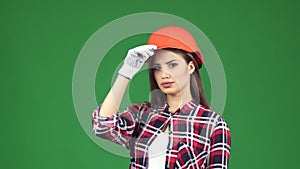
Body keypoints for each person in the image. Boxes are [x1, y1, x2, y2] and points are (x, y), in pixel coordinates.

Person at [91, 26, 231, 169]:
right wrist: (126, 72)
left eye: (172, 65)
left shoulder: (213, 124)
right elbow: (103, 126)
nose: (164, 75)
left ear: (190, 67)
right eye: (157, 68)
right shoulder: (142, 114)